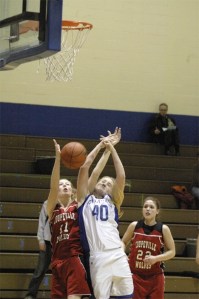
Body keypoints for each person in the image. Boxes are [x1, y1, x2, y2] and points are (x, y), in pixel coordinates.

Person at [77, 127, 134, 299]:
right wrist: (102, 145)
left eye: (109, 183)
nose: (104, 183)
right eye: (102, 181)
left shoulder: (113, 202)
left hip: (117, 254)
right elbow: (86, 167)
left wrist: (112, 149)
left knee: (127, 296)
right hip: (98, 257)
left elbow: (121, 176)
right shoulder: (84, 199)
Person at [46, 139, 90, 299]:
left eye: (67, 185)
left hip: (74, 257)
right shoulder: (52, 209)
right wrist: (58, 159)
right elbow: (53, 185)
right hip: (57, 260)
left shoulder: (78, 205)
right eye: (61, 185)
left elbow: (85, 174)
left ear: (72, 191)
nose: (64, 186)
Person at [122, 196, 175, 299]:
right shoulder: (134, 226)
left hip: (155, 277)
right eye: (145, 206)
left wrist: (156, 258)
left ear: (157, 211)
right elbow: (123, 242)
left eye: (151, 207)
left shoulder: (163, 229)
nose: (148, 209)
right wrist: (122, 253)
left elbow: (172, 252)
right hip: (135, 275)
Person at [24, 200, 51, 299]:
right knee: (40, 270)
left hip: (63, 243)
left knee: (63, 272)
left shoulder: (70, 204)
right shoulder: (48, 203)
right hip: (48, 242)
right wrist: (41, 240)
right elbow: (42, 221)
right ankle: (31, 294)